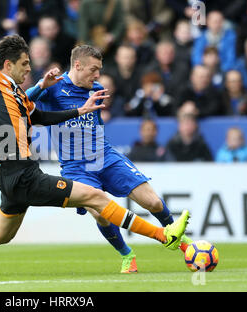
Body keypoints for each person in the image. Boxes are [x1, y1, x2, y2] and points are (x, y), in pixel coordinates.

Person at [0, 28, 190, 275]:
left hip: (12, 176)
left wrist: (79, 110)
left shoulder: (18, 95)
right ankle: (165, 236)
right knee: (97, 198)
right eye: (25, 64)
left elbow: (40, 117)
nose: (29, 69)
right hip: (23, 174)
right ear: (8, 64)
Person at [26, 45, 192, 274]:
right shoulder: (53, 87)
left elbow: (97, 123)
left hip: (104, 156)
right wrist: (40, 86)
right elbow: (20, 105)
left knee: (152, 201)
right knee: (100, 213)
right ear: (77, 65)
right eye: (94, 69)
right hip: (76, 167)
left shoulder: (97, 88)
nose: (98, 75)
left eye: (99, 70)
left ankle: (184, 246)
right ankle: (127, 254)